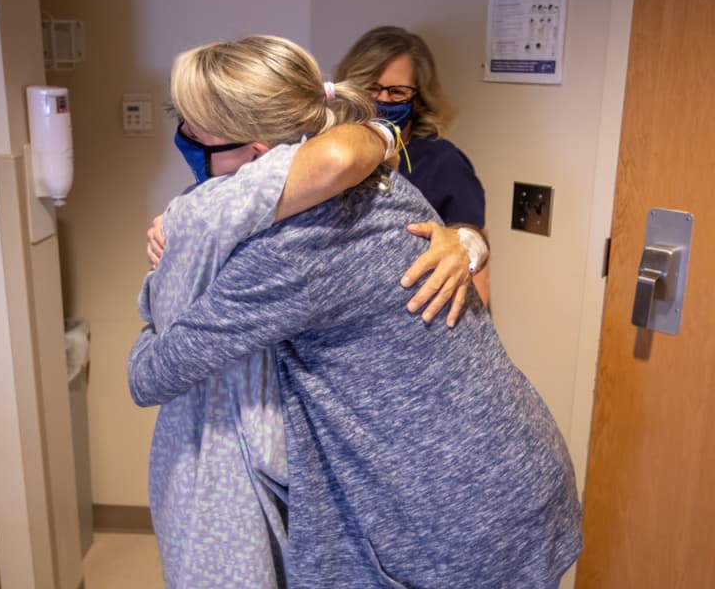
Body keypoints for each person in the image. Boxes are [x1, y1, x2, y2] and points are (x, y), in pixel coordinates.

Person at [130, 34, 582, 588]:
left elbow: (150, 375)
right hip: (516, 461)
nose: (185, 139)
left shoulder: (291, 252)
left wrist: (162, 290)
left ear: (257, 156)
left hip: (458, 509)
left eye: (195, 129)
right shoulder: (383, 181)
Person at [335, 25, 492, 306]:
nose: (382, 100)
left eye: (397, 92)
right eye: (371, 88)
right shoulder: (333, 157)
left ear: (418, 99)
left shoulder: (442, 163)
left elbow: (473, 256)